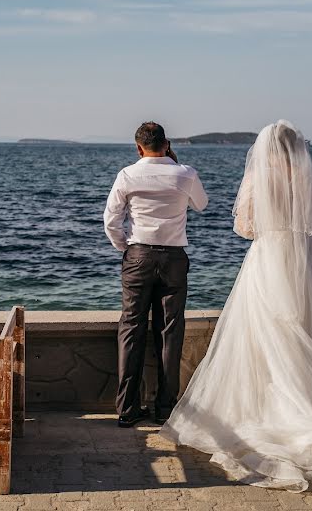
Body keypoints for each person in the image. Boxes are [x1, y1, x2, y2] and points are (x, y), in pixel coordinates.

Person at [159, 120, 312, 500]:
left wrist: (272, 222)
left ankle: (272, 415)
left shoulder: (257, 179)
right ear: (298, 147)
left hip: (267, 262)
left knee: (263, 339)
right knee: (307, 338)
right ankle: (310, 415)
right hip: (305, 266)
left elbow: (244, 228)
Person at [104, 121, 208, 428]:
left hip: (138, 255)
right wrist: (175, 166)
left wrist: (126, 248)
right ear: (167, 144)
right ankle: (165, 408)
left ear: (138, 147)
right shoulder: (185, 173)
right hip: (174, 258)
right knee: (170, 332)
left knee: (131, 329)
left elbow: (111, 220)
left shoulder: (127, 174)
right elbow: (201, 204)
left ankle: (127, 409)